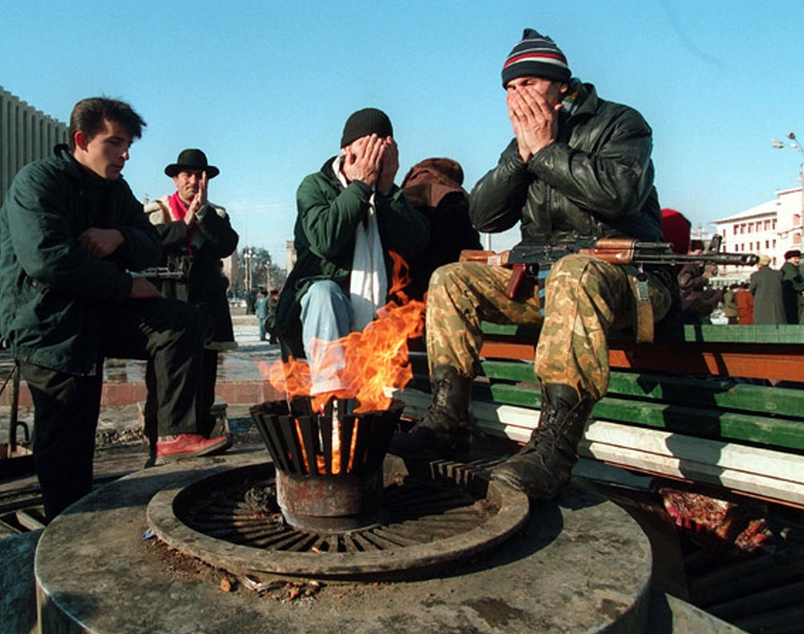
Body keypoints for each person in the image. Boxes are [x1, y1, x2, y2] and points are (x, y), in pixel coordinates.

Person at [392, 29, 677, 502]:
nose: (515, 97)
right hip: (549, 284)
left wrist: (547, 152)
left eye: (526, 84)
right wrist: (520, 160)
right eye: (508, 88)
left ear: (560, 85)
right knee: (451, 278)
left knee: (574, 270)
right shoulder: (524, 143)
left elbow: (620, 194)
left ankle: (555, 450)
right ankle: (447, 421)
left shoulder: (621, 124)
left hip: (630, 281)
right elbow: (484, 215)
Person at [0, 97, 229, 522]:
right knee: (69, 439)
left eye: (129, 146)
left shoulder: (116, 190)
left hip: (98, 311)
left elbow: (148, 240)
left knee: (183, 321)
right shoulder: (37, 183)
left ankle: (173, 434)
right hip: (50, 325)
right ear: (81, 140)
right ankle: (63, 530)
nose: (125, 155)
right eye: (116, 143)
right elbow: (47, 261)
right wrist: (124, 284)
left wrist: (117, 236)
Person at [272, 107, 429, 396]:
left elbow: (415, 243)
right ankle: (331, 397)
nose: (374, 153)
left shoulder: (390, 195)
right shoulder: (315, 186)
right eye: (367, 144)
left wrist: (385, 194)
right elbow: (324, 240)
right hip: (325, 314)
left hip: (376, 318)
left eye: (383, 144)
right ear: (346, 149)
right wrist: (359, 188)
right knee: (323, 292)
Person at [143, 148, 239, 442]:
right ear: (175, 179)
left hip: (205, 300)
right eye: (188, 175)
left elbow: (226, 244)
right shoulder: (157, 211)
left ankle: (199, 430)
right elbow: (146, 245)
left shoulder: (215, 213)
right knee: (164, 369)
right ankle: (158, 432)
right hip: (169, 299)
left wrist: (202, 212)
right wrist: (182, 227)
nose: (194, 182)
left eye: (200, 176)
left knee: (205, 370)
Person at [400, 158, 483, 301]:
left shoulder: (399, 197)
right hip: (445, 295)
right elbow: (472, 253)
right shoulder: (456, 199)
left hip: (398, 295)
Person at [748, 255, 786, 325]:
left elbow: (751, 289)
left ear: (759, 264)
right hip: (776, 302)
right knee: (776, 320)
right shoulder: (778, 274)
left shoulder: (756, 275)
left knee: (762, 322)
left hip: (761, 303)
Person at [780, 249, 803, 324]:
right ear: (789, 259)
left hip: (792, 299)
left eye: (798, 258)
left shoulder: (792, 268)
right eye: (795, 258)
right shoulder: (790, 270)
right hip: (793, 299)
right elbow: (794, 284)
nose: (797, 260)